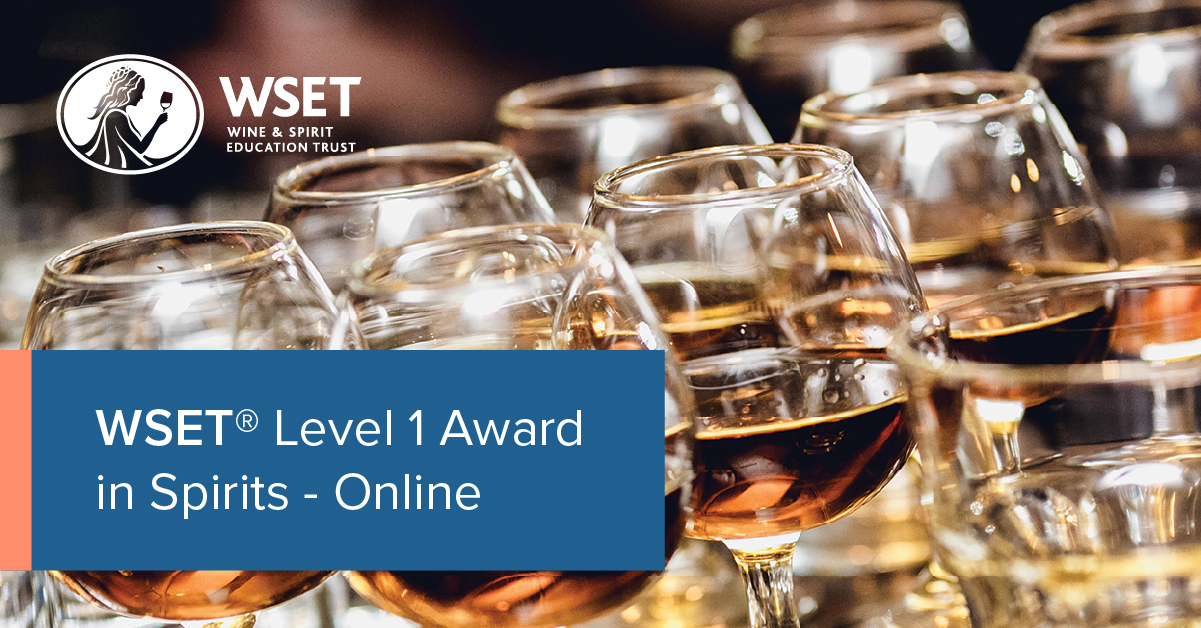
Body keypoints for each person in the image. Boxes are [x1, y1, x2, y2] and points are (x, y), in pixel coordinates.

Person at [75, 66, 169, 170]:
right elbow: (139, 149)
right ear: (129, 92)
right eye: (140, 92)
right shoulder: (117, 116)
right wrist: (157, 124)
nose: (141, 97)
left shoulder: (116, 114)